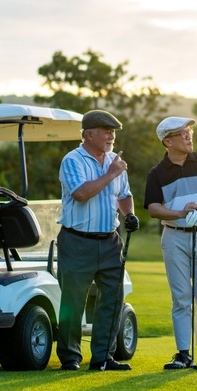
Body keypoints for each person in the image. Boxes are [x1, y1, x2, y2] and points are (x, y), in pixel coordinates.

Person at [56, 109, 139, 372]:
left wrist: (130, 214)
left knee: (112, 300)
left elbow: (124, 195)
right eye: (106, 131)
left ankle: (103, 357)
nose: (111, 136)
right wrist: (111, 174)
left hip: (110, 240)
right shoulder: (73, 160)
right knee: (74, 300)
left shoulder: (115, 161)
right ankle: (70, 357)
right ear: (89, 134)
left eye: (113, 132)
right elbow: (81, 193)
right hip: (77, 241)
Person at [144, 117, 197, 369]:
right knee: (181, 297)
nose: (189, 136)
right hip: (174, 236)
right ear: (167, 141)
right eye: (182, 133)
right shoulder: (157, 173)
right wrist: (180, 213)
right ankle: (182, 353)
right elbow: (154, 209)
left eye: (189, 131)